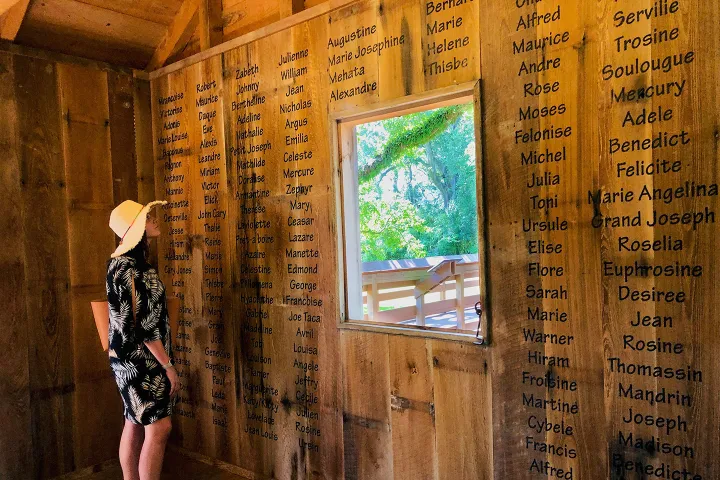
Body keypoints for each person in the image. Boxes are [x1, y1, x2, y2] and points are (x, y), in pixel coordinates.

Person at [106, 199, 179, 480]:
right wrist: (168, 366)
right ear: (136, 227)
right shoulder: (141, 271)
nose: (155, 220)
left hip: (123, 360)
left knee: (134, 421)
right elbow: (147, 329)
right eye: (149, 217)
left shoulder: (116, 264)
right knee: (160, 428)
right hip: (145, 362)